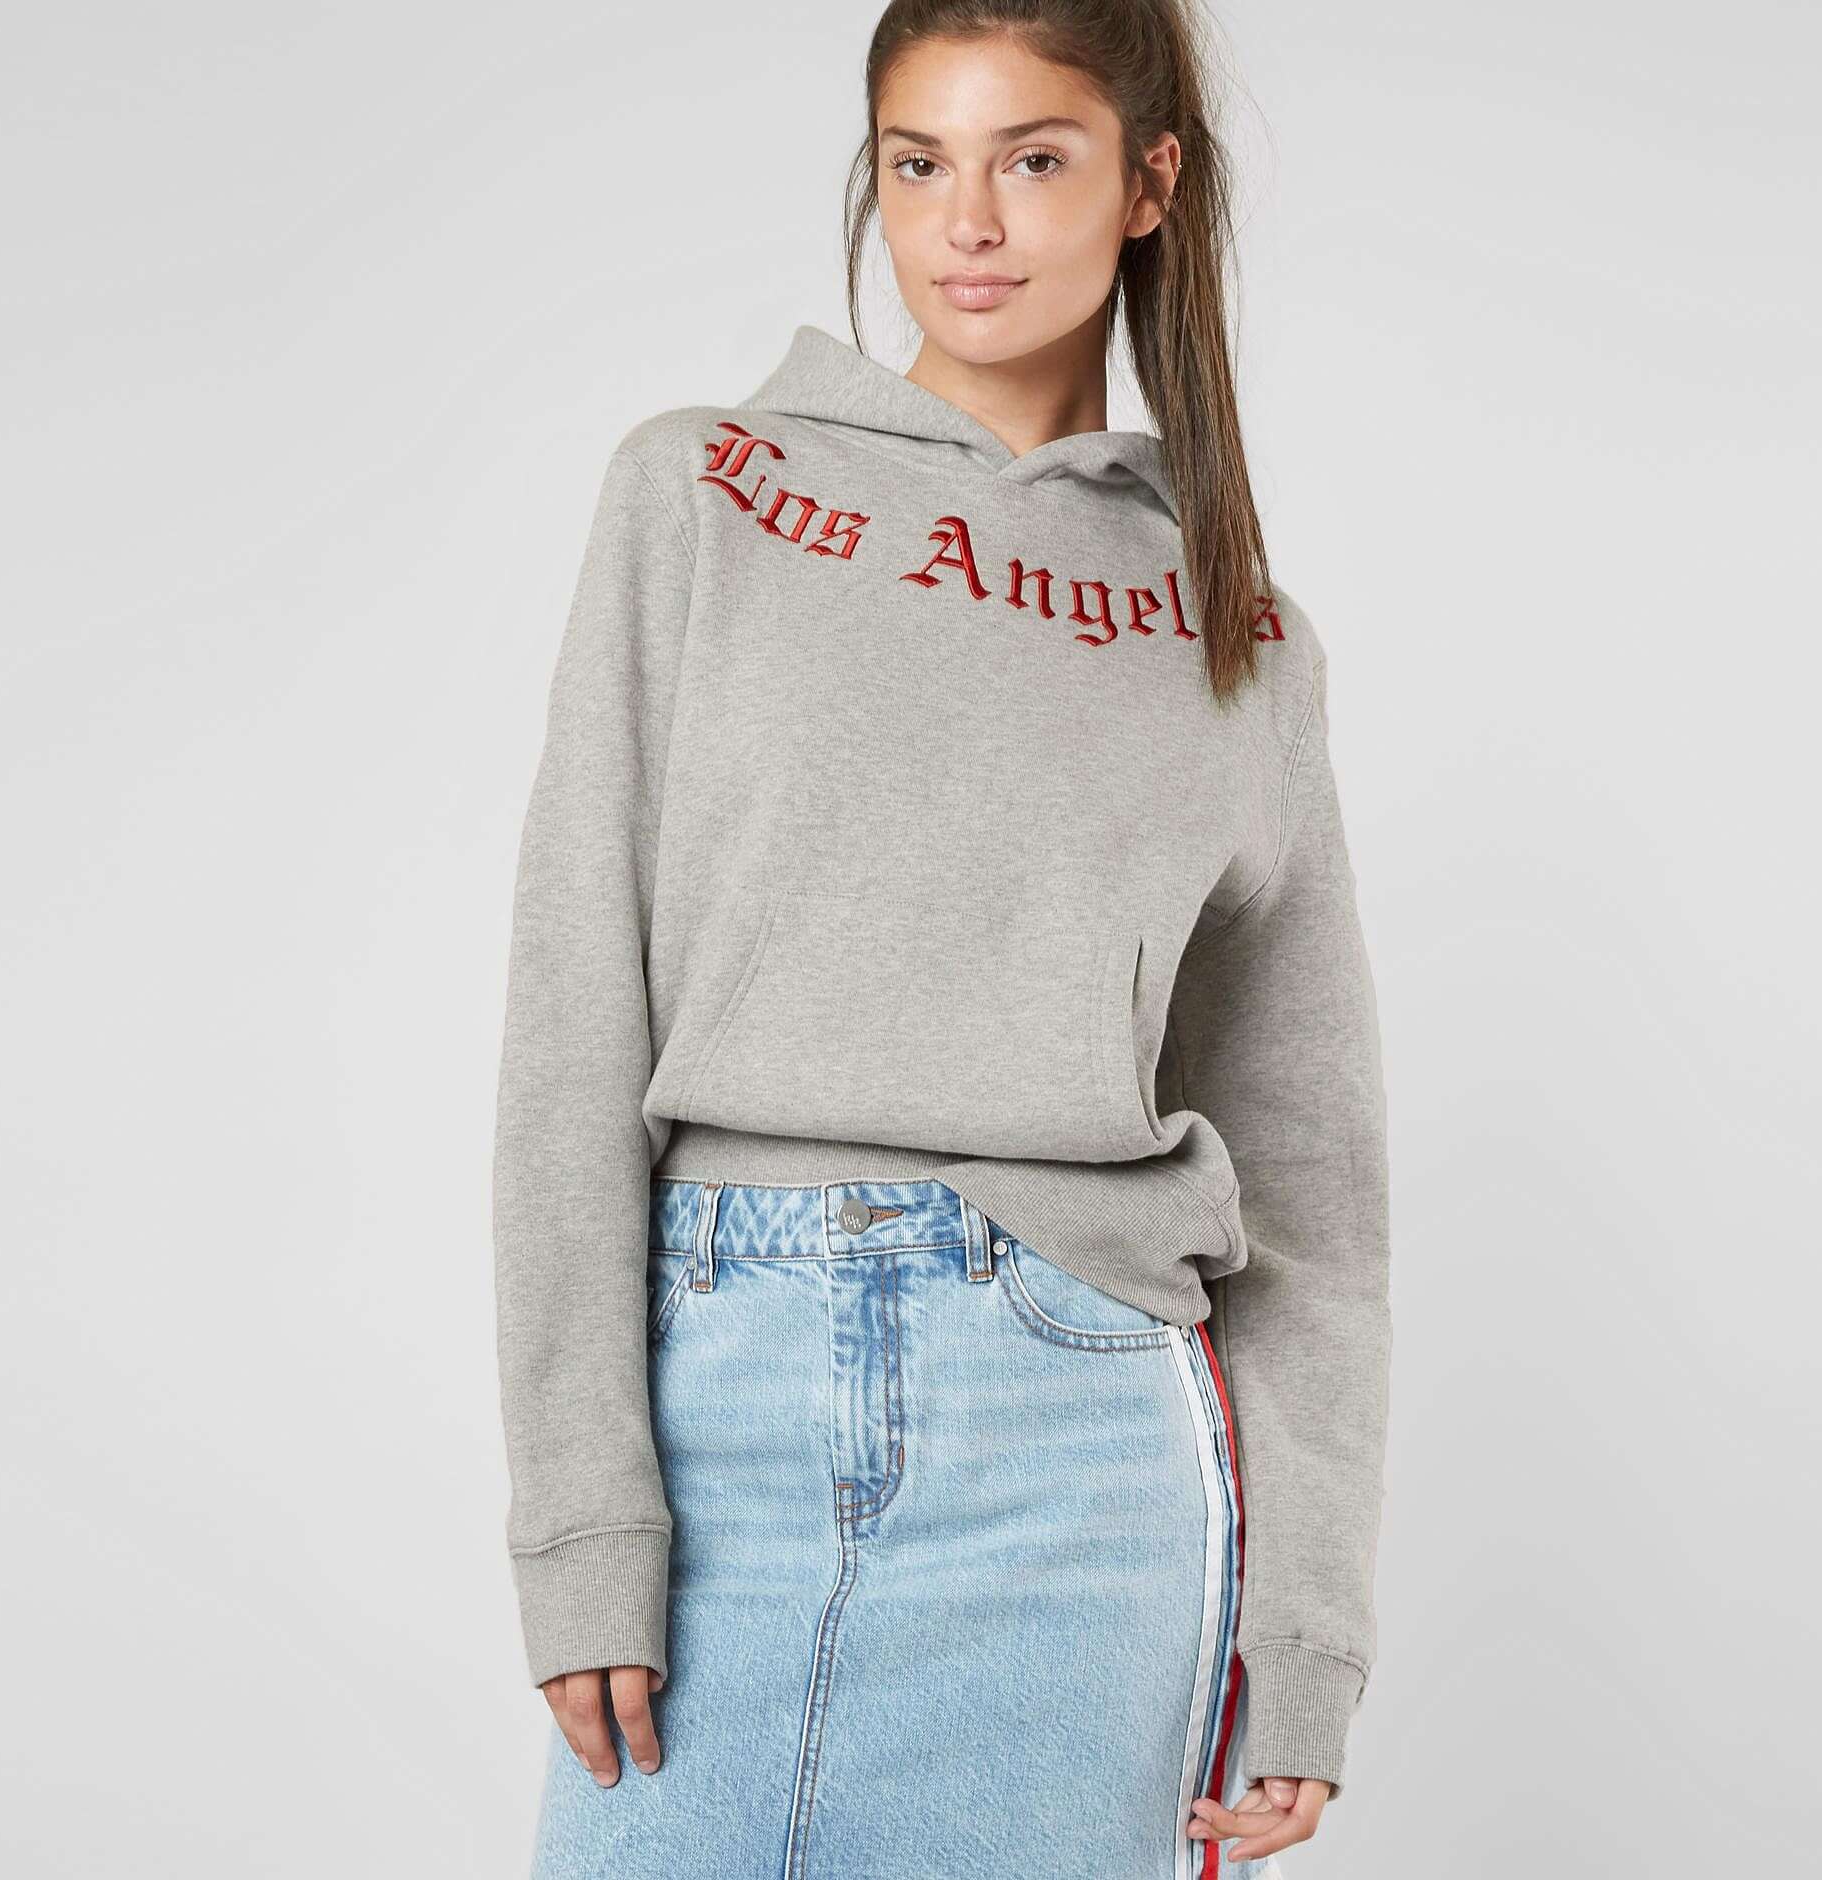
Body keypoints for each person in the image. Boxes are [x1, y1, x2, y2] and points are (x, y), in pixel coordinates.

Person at [489, 3, 1392, 1872]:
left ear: (1148, 185)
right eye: (921, 164)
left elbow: (1310, 1180)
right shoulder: (702, 493)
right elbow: (575, 1014)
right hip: (723, 1407)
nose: (967, 222)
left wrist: (1301, 1644)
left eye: (1033, 159)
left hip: (1083, 1451)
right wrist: (584, 1520)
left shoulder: (1238, 632)